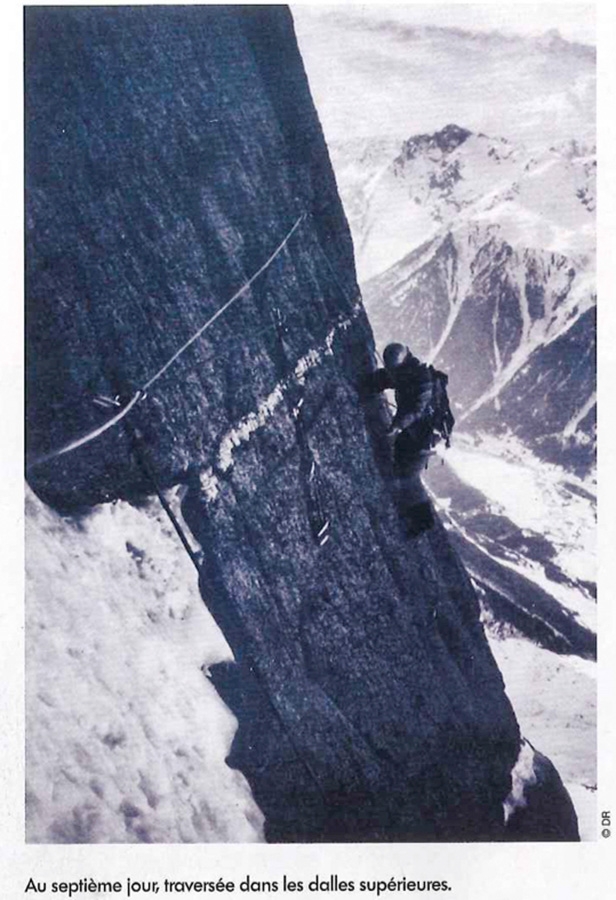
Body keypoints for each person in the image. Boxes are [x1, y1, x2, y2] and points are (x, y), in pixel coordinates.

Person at [364, 342, 439, 535]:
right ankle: (415, 513)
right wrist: (369, 383)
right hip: (413, 433)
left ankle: (423, 521)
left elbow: (417, 410)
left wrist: (397, 425)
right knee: (401, 469)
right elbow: (388, 379)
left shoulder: (422, 381)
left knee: (409, 477)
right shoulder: (407, 372)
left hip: (423, 437)